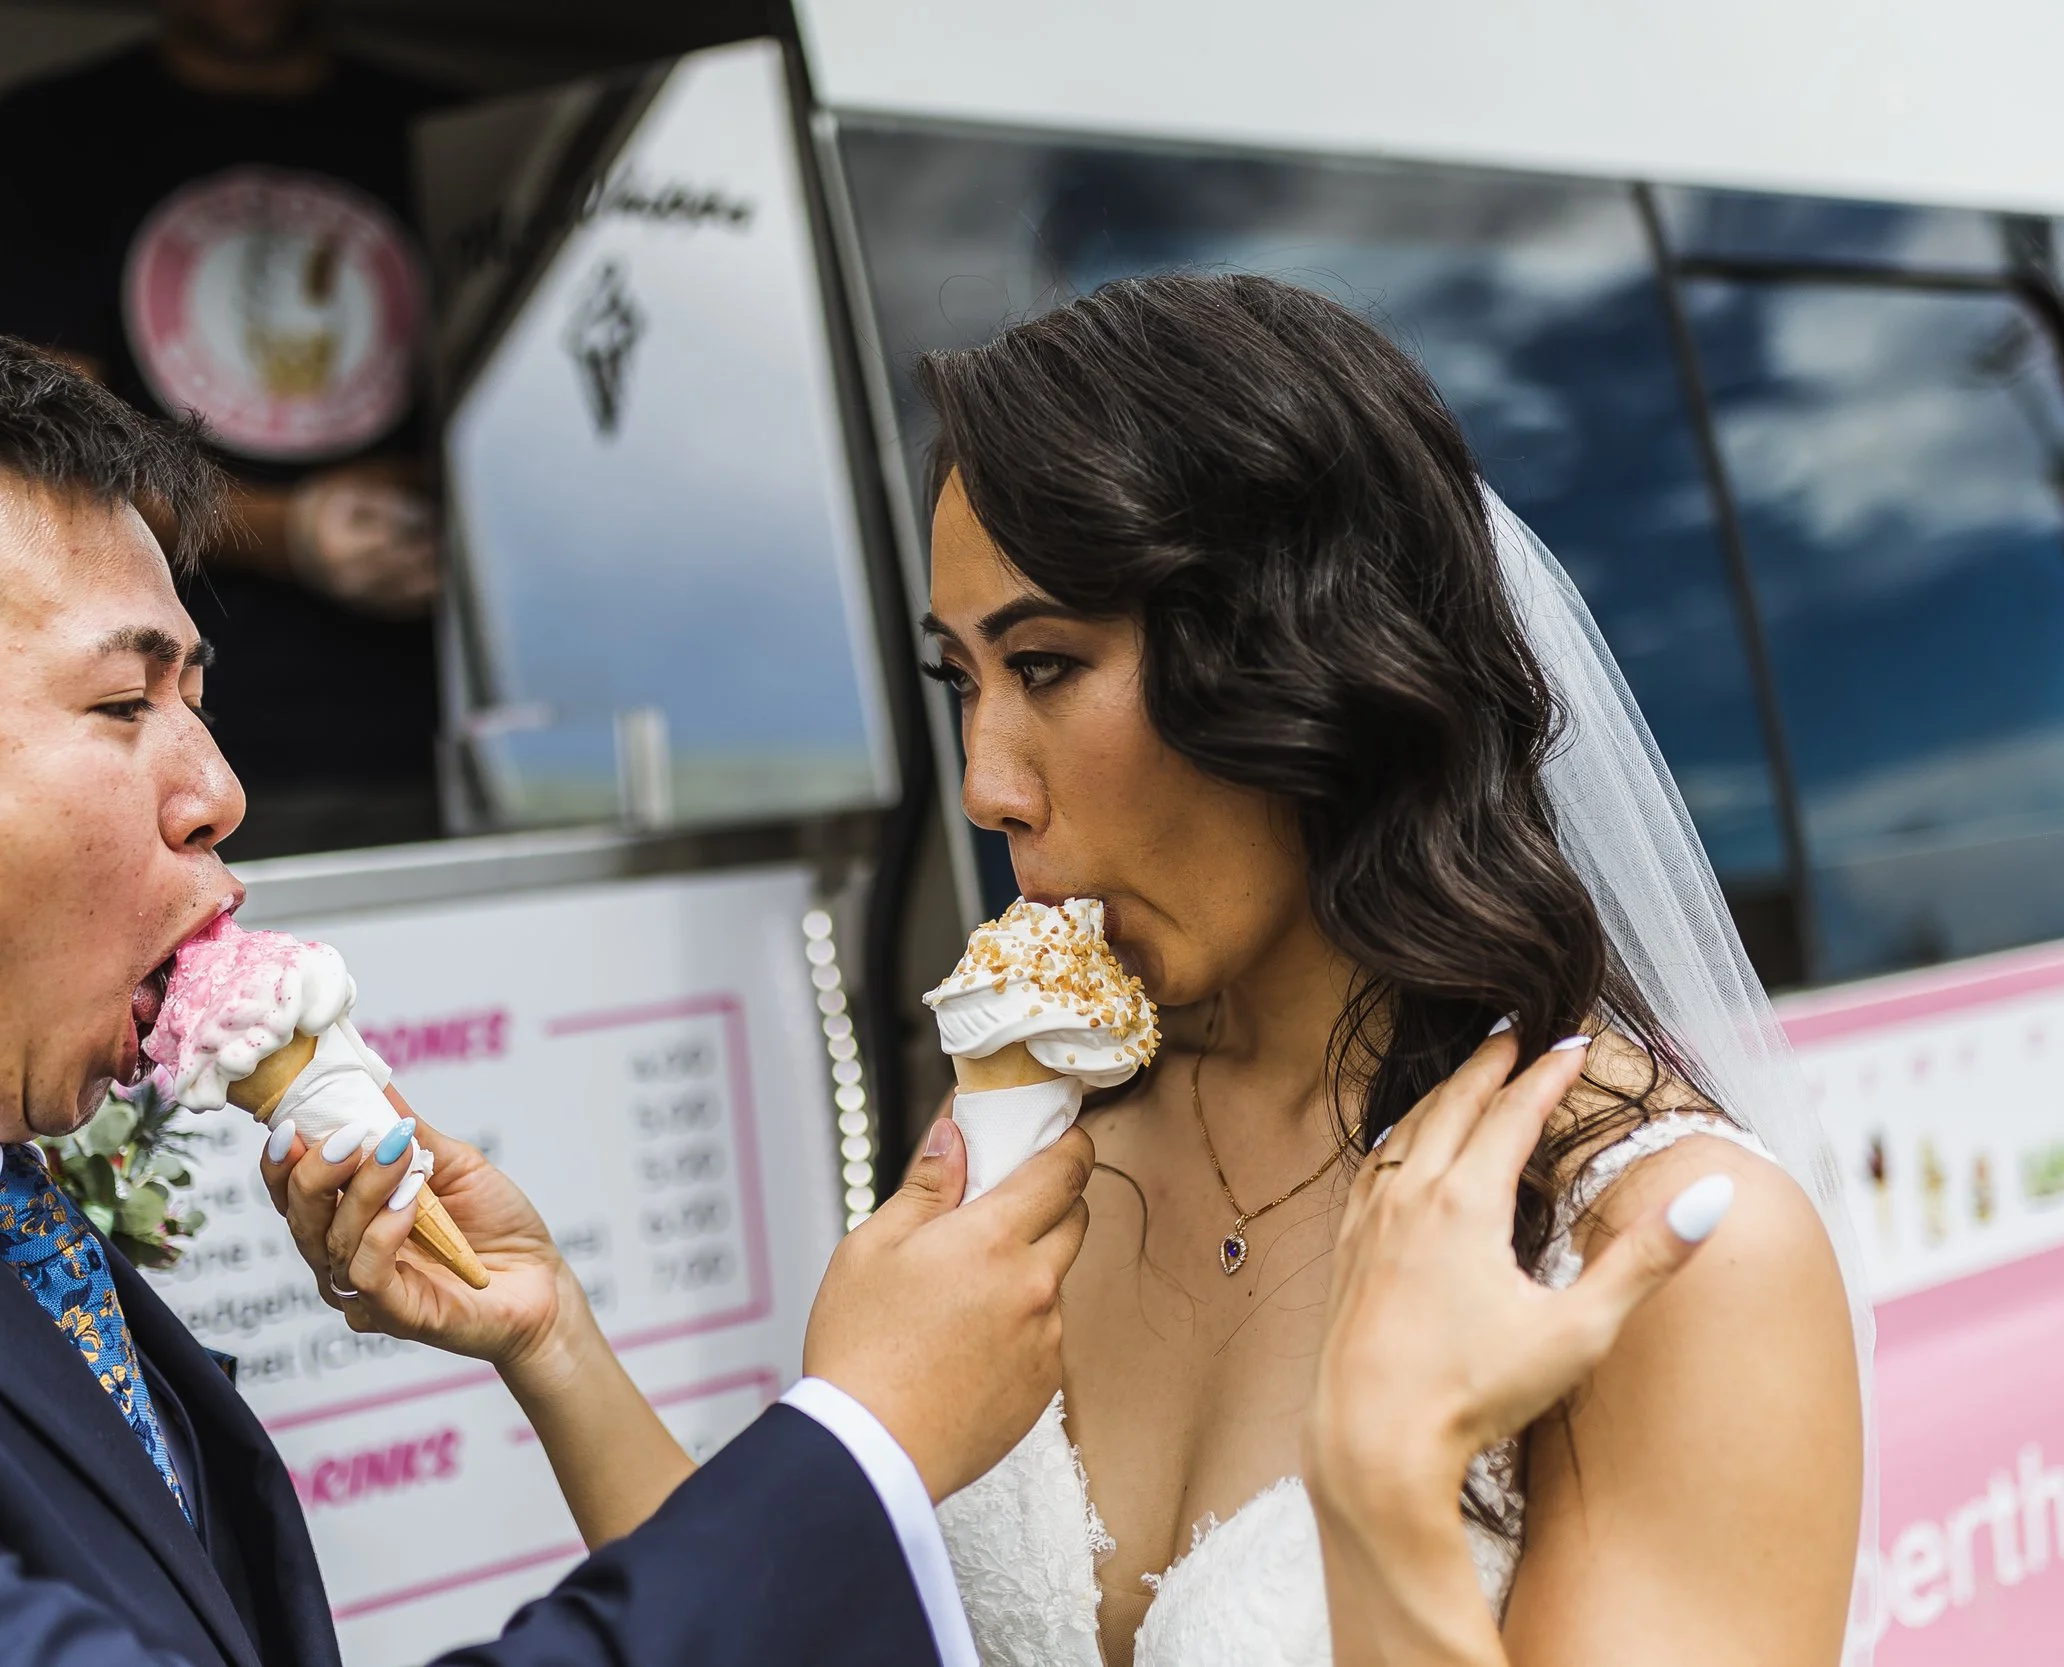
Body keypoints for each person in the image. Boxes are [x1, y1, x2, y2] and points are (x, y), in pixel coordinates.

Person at [283, 274, 1872, 1667]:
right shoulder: (1034, 1136)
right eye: (962, 679)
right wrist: (552, 1339)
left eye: (1046, 665)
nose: (987, 783)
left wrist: (1391, 1491)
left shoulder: (1654, 1246)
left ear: (1301, 662)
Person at [0, 313, 1092, 1667]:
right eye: (120, 703)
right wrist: (861, 1439)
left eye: (194, 698)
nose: (217, 792)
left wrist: (546, 1336)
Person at [0, 0, 452, 857]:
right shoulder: (56, 131)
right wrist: (290, 532)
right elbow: (40, 452)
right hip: (186, 742)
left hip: (449, 730)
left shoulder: (441, 130)